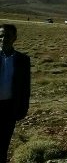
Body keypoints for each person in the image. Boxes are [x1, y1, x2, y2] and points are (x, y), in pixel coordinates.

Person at [0, 24, 31, 163]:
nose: (3, 39)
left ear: (14, 38)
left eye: (7, 35)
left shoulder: (22, 60)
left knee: (4, 143)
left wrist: (23, 108)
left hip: (9, 108)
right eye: (0, 35)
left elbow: (25, 87)